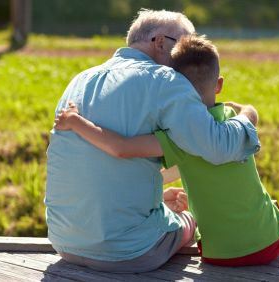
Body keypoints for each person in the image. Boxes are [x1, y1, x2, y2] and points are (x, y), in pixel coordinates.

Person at [46, 9, 260, 273]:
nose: (186, 59)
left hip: (63, 242)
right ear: (159, 42)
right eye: (183, 46)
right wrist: (248, 116)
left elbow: (101, 166)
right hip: (129, 252)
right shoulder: (166, 80)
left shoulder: (80, 80)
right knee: (192, 219)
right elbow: (218, 146)